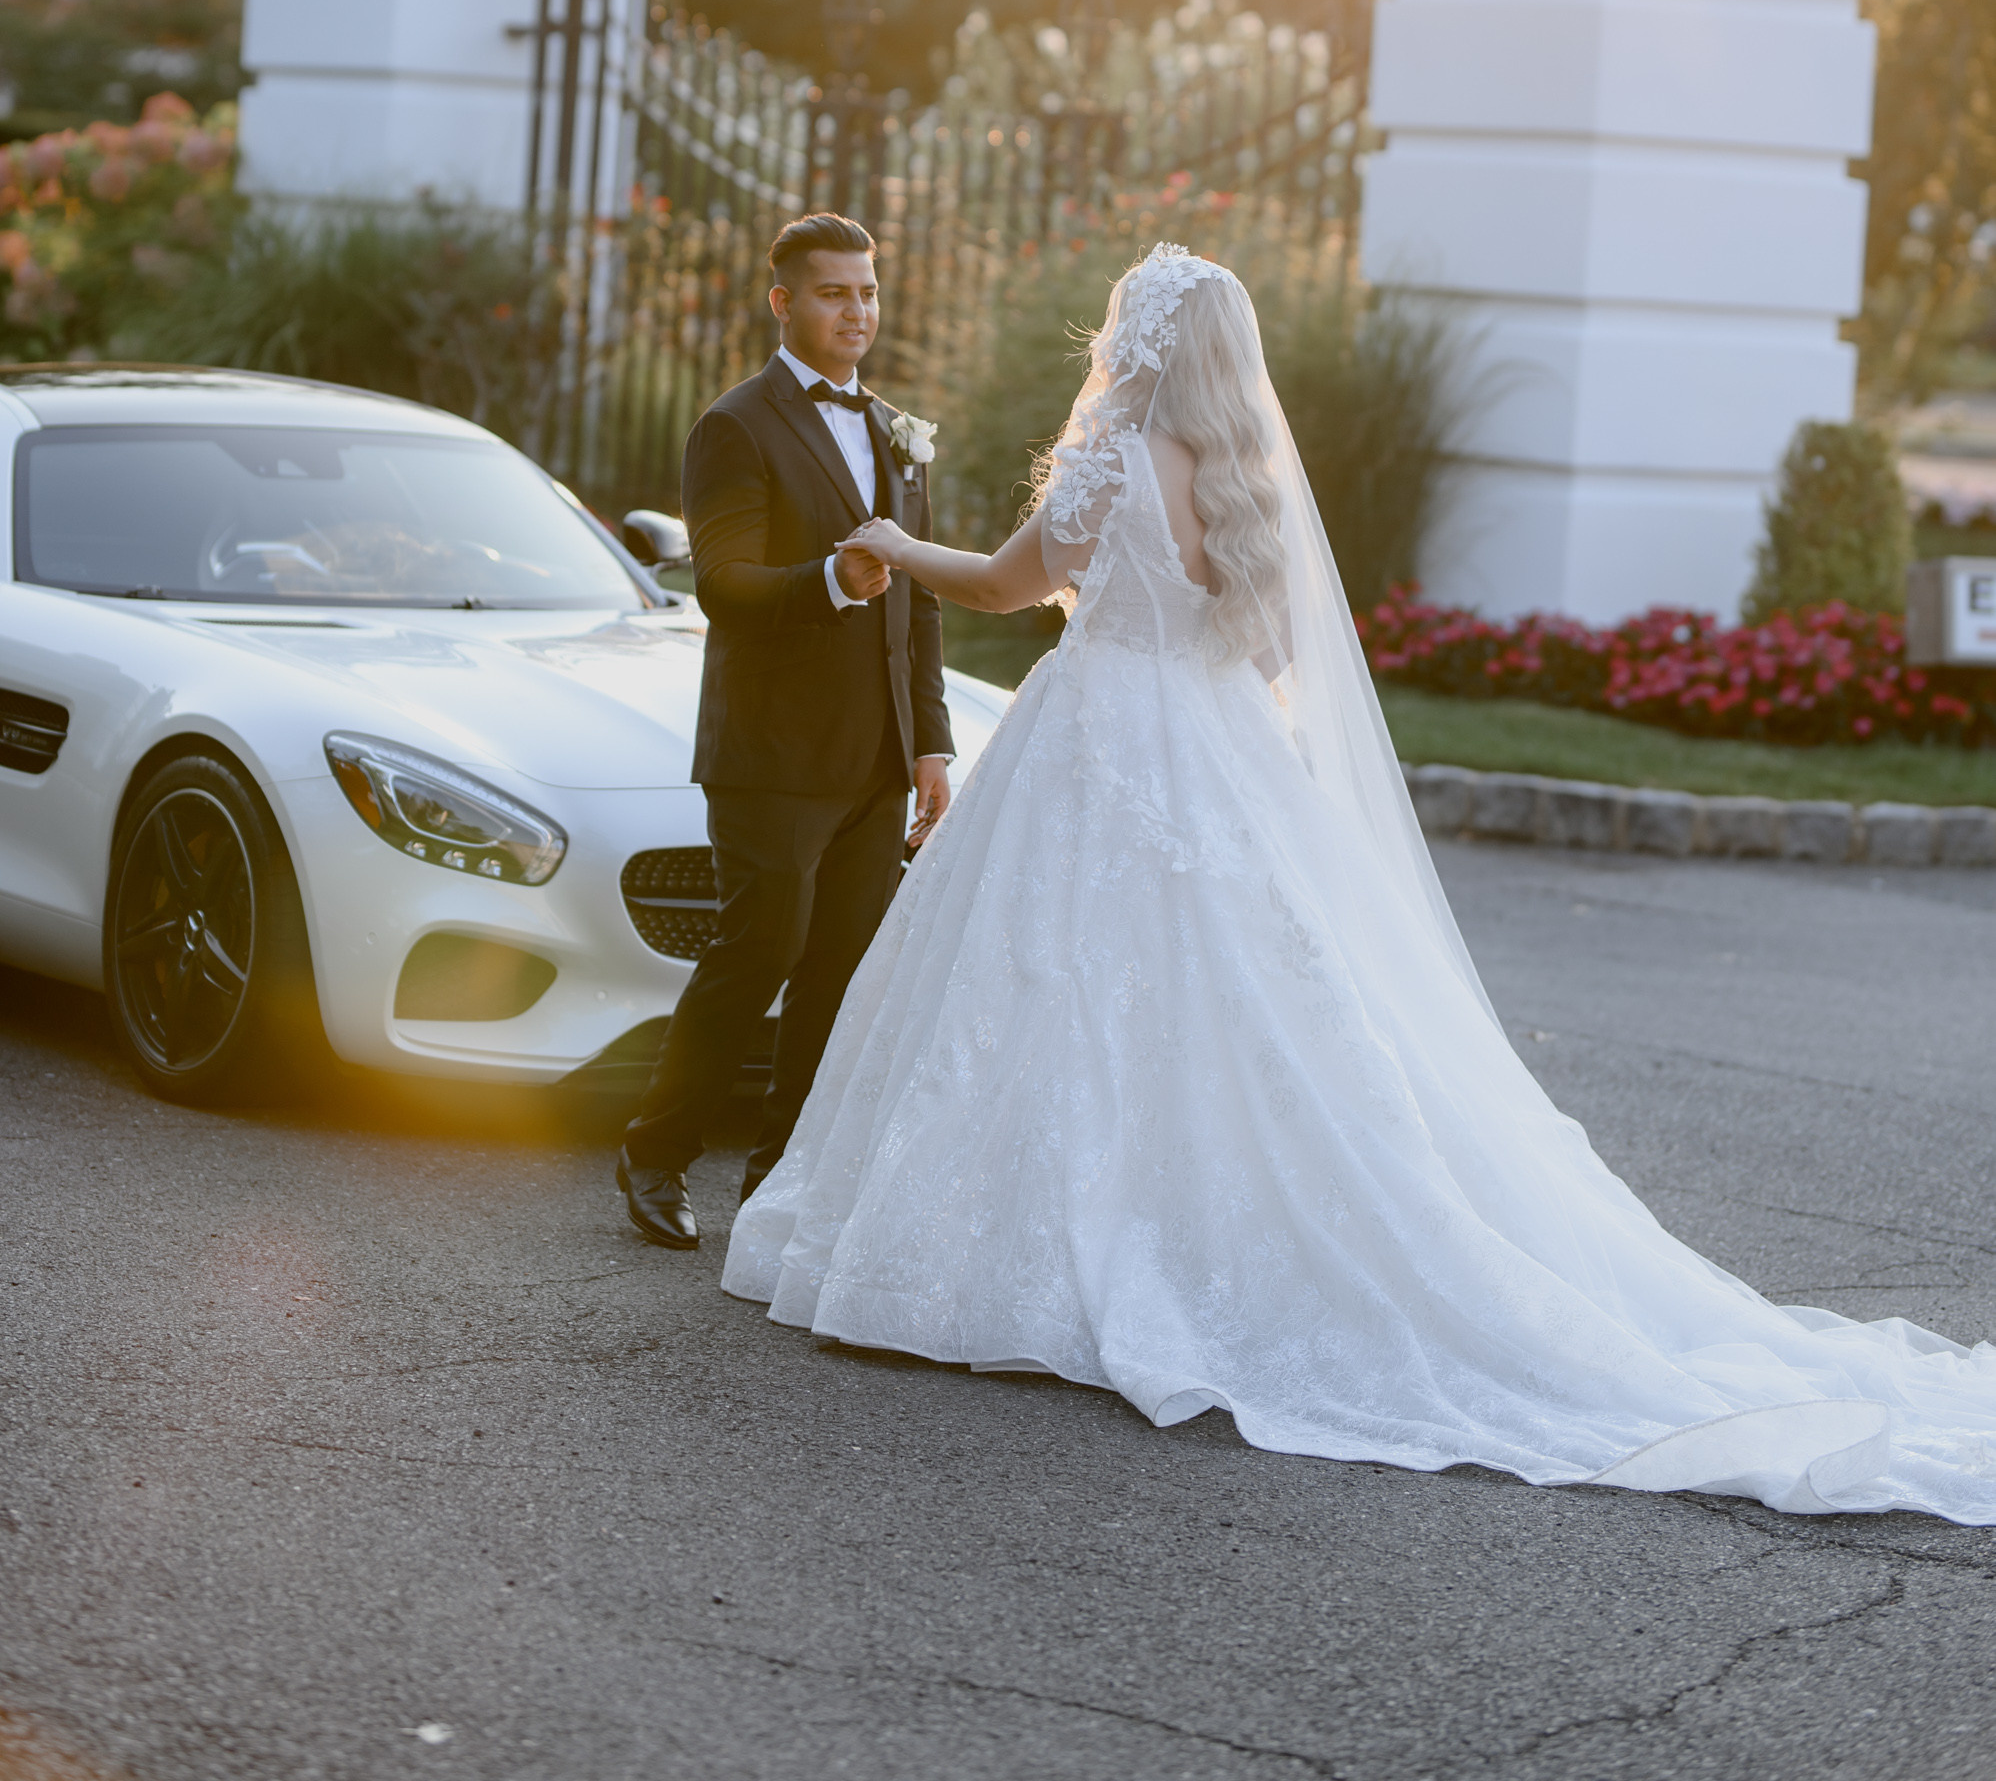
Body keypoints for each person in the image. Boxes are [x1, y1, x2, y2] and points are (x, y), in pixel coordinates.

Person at [723, 240, 1996, 1520]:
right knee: (1248, 1002)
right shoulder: (1242, 481)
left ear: (1143, 343)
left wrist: (890, 540)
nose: (1106, 347)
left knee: (1051, 984)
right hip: (1214, 746)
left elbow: (1005, 586)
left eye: (1119, 327)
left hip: (1095, 734)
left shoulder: (1110, 457)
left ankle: (1031, 1253)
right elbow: (1268, 645)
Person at [617, 213, 952, 1251]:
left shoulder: (898, 429)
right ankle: (657, 1151)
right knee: (756, 952)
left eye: (866, 293)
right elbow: (723, 584)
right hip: (770, 752)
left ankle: (778, 1184)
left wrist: (930, 743)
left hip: (876, 755)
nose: (855, 311)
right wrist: (828, 580)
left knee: (837, 976)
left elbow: (924, 604)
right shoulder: (736, 425)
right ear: (782, 302)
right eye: (831, 294)